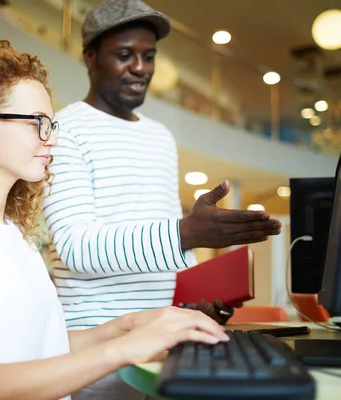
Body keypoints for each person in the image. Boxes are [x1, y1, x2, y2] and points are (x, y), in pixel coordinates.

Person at [0, 39, 228, 400]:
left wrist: (130, 325)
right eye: (37, 123)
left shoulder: (14, 235)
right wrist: (124, 349)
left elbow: (44, 350)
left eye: (53, 125)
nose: (52, 140)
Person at [42, 1, 281, 398]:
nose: (141, 68)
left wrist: (193, 301)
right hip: (95, 349)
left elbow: (171, 246)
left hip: (162, 338)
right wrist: (184, 234)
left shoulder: (160, 137)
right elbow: (75, 248)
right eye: (124, 55)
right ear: (90, 57)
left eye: (148, 56)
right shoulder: (65, 129)